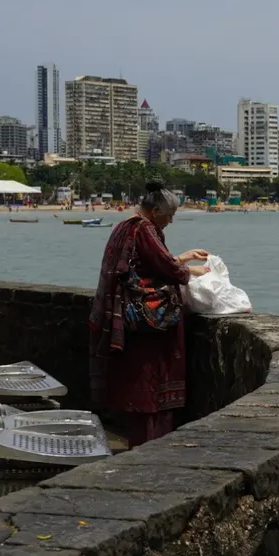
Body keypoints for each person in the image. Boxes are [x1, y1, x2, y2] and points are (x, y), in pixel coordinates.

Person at [89, 181, 210, 446]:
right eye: (169, 216)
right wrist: (190, 271)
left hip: (126, 319)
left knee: (134, 384)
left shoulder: (125, 226)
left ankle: (140, 441)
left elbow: (147, 263)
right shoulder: (145, 228)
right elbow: (164, 266)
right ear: (155, 211)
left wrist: (182, 258)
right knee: (149, 384)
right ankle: (152, 444)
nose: (170, 222)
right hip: (145, 324)